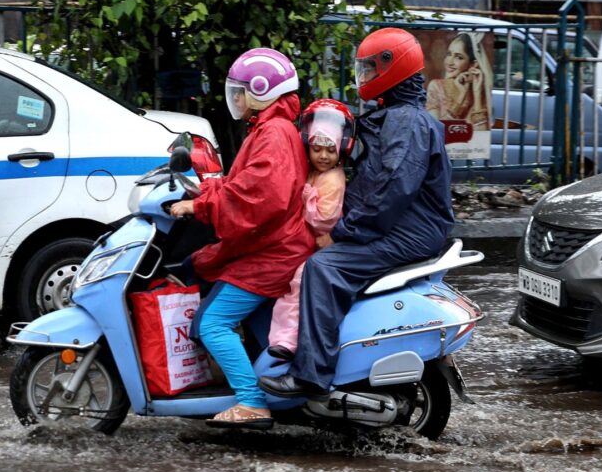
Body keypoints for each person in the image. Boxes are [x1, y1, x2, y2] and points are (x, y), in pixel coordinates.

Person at [259, 27, 454, 400]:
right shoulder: (392, 116)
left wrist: (345, 231)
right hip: (401, 225)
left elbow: (393, 188)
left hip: (406, 230)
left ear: (390, 69)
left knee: (323, 269)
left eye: (369, 69)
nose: (363, 77)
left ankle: (311, 377)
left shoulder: (407, 122)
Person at [169, 48, 313, 430]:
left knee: (210, 324)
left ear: (262, 91)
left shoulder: (274, 133)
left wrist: (199, 207)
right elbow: (245, 185)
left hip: (273, 251)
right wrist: (207, 191)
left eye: (241, 91)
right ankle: (267, 389)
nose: (236, 99)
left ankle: (251, 402)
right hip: (274, 244)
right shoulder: (270, 128)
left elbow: (257, 199)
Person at [266, 99, 354, 361]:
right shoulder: (314, 172)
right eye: (317, 149)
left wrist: (304, 196)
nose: (323, 156)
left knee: (298, 284)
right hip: (305, 241)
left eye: (330, 149)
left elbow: (323, 219)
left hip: (319, 245)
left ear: (341, 148)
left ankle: (287, 342)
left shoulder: (333, 179)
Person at [425, 32, 491, 131]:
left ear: (473, 64)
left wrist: (477, 95)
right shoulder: (436, 87)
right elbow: (436, 130)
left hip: (471, 146)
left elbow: (481, 137)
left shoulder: (480, 92)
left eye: (458, 57)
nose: (449, 62)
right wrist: (460, 98)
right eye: (449, 54)